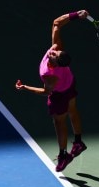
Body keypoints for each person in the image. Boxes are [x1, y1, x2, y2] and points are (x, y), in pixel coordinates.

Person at [15, 10, 89, 172]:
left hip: (60, 94)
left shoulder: (49, 75)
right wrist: (76, 15)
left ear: (56, 63)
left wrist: (25, 87)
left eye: (55, 54)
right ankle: (78, 142)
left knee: (59, 122)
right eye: (55, 50)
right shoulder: (56, 47)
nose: (53, 50)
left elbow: (46, 92)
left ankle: (64, 155)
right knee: (73, 110)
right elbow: (56, 23)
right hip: (70, 83)